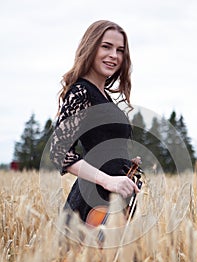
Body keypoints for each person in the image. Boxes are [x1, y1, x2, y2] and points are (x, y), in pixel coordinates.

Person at [50, 20, 141, 227]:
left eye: (120, 50)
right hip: (93, 201)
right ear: (90, 48)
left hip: (114, 199)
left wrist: (124, 164)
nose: (114, 56)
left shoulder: (104, 96)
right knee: (95, 259)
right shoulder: (81, 91)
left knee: (122, 259)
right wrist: (108, 180)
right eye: (106, 46)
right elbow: (59, 152)